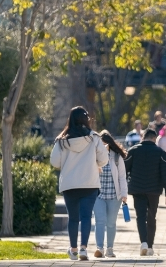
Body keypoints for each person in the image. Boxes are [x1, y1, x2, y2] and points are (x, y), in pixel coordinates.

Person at [50, 106, 108, 261]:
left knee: (73, 218)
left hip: (69, 184)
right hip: (89, 183)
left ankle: (73, 249)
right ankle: (83, 249)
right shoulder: (94, 138)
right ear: (86, 119)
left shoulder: (62, 140)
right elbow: (103, 160)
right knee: (87, 217)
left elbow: (54, 162)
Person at [125, 128, 166, 256]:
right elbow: (165, 174)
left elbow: (124, 169)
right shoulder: (160, 153)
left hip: (137, 189)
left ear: (143, 137)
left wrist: (124, 187)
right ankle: (150, 246)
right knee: (151, 217)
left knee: (140, 217)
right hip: (154, 190)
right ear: (154, 138)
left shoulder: (133, 151)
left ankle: (144, 243)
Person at [93, 131, 128, 258]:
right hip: (98, 195)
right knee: (100, 221)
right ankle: (99, 248)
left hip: (114, 195)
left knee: (111, 223)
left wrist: (124, 194)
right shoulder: (94, 157)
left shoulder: (117, 157)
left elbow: (122, 177)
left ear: (108, 144)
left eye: (103, 144)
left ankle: (110, 248)